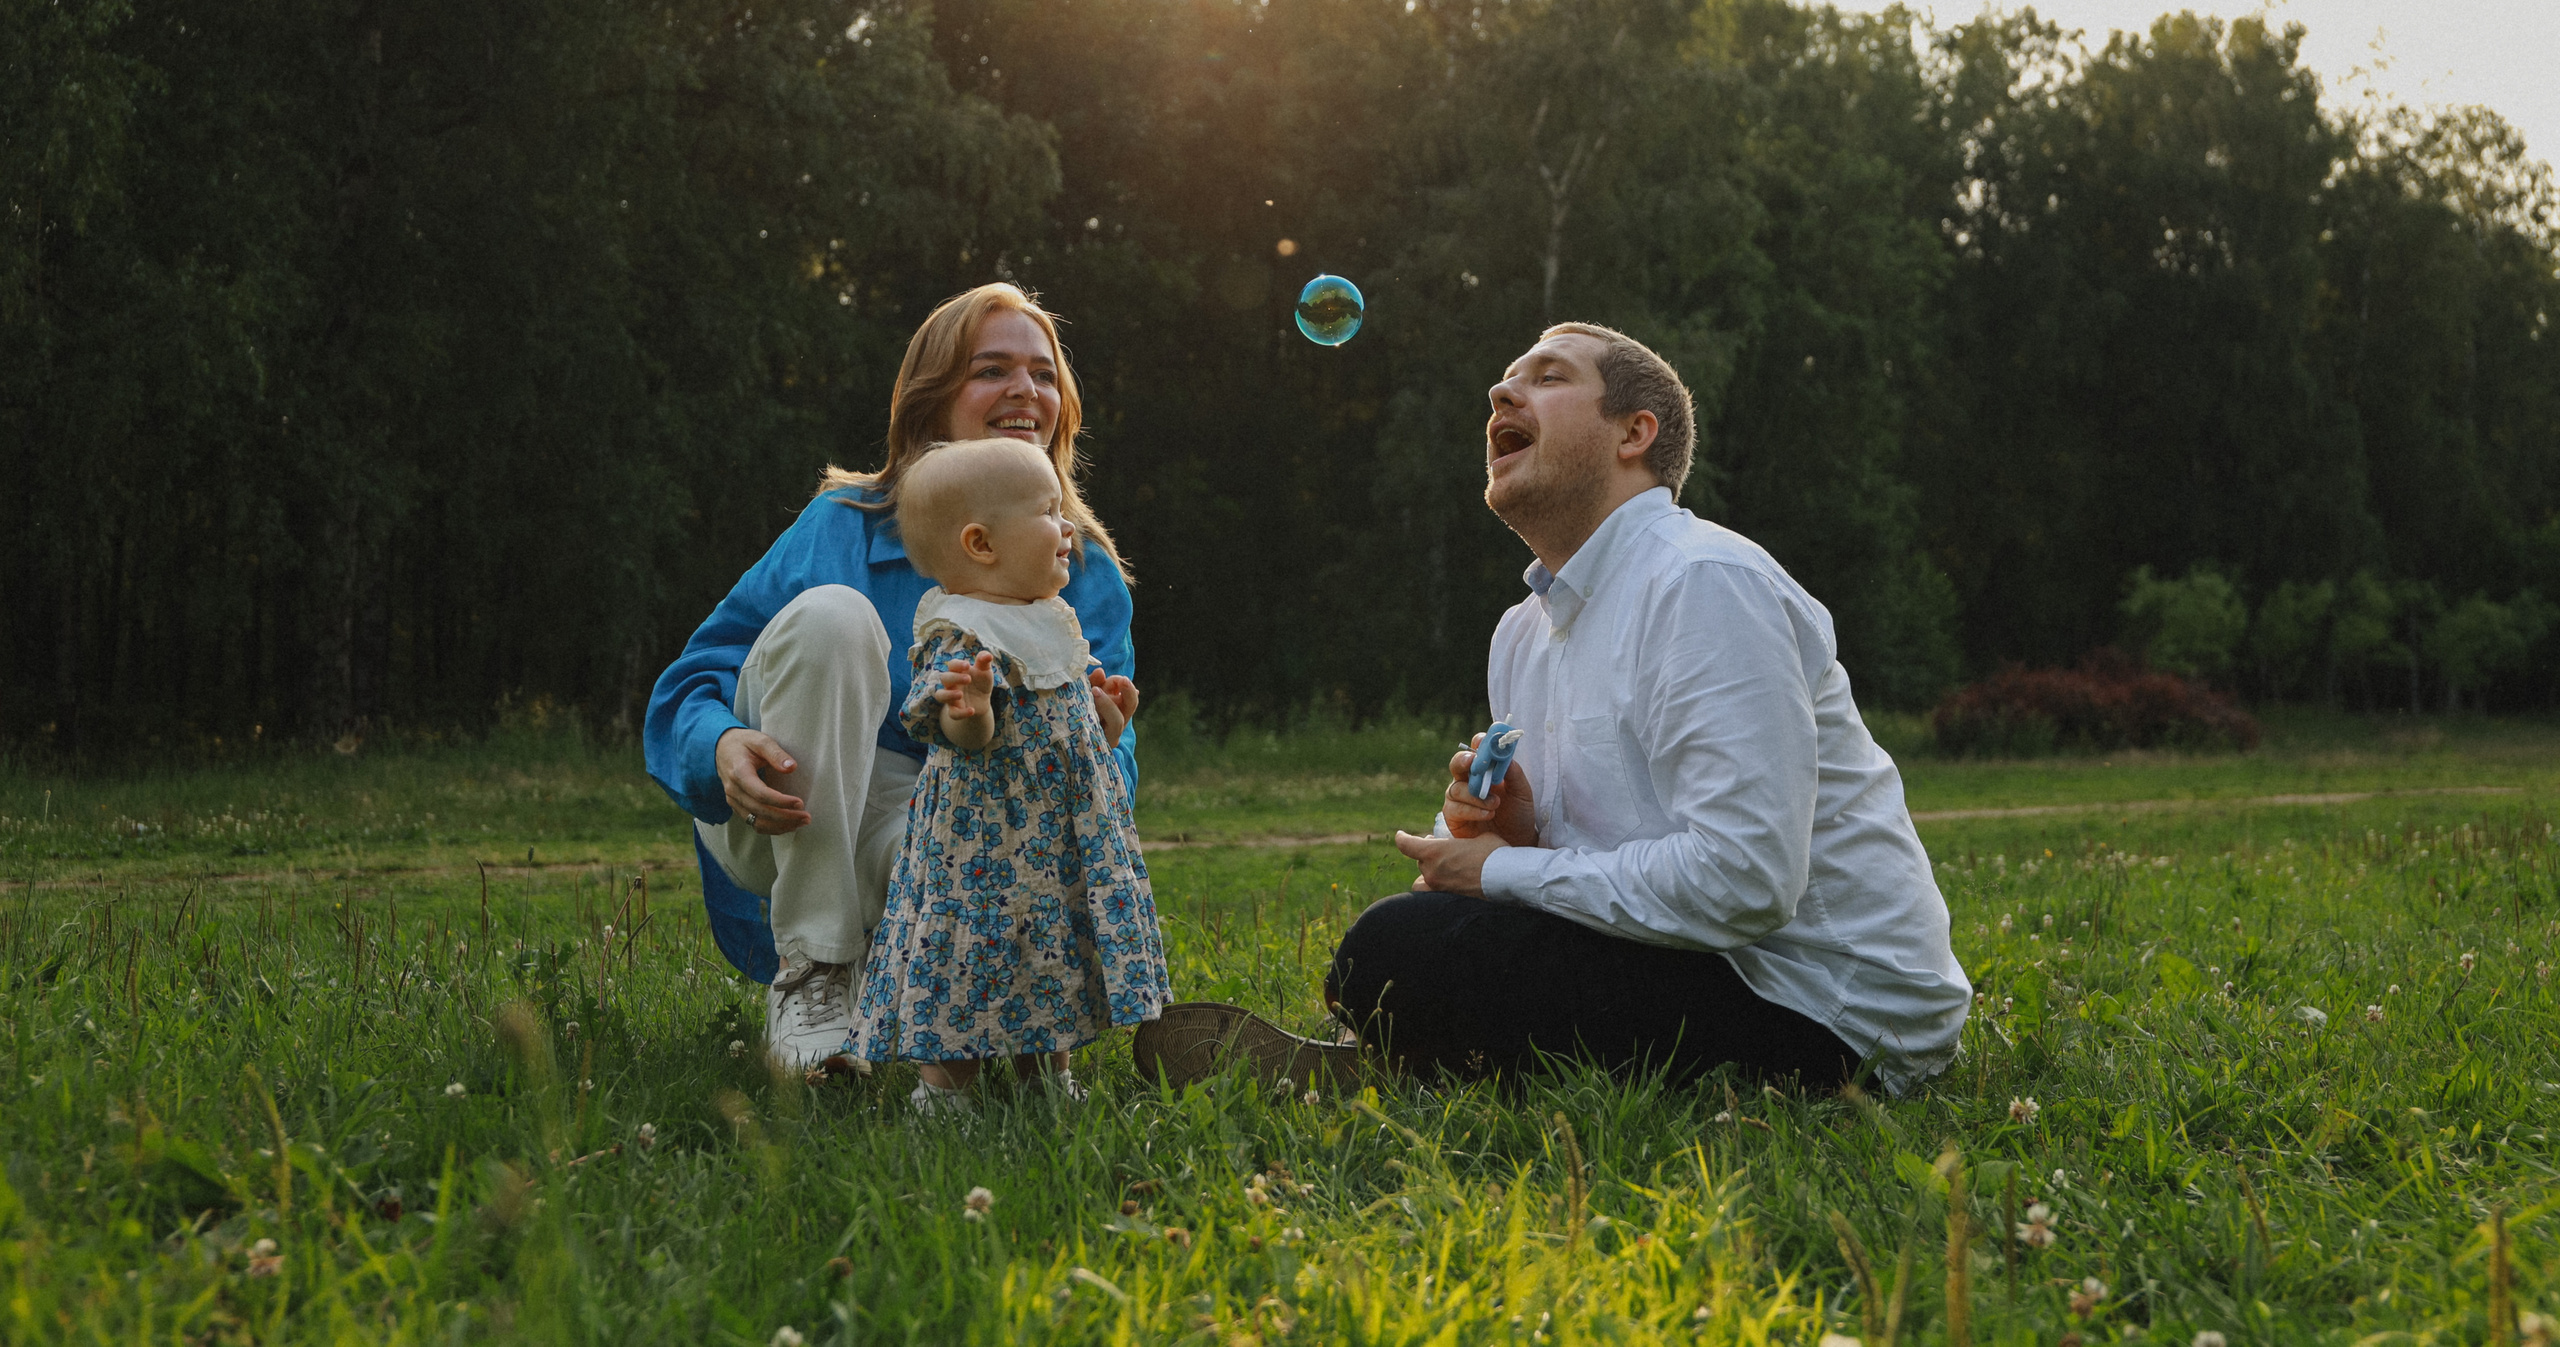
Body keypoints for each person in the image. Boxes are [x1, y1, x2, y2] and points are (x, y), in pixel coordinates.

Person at [1138, 322, 1969, 1096]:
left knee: (1394, 950)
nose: (1502, 396)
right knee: (1409, 943)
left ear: (1633, 433)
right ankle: (1420, 1053)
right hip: (1705, 961)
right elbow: (1615, 868)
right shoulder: (1522, 630)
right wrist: (1512, 836)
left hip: (1830, 1010)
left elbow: (1745, 879)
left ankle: (1414, 1059)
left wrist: (1502, 871)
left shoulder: (1703, 582)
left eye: (1546, 377)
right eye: (1503, 384)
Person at [642, 285, 1140, 1070]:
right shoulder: (843, 523)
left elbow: (1112, 768)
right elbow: (692, 680)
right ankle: (815, 968)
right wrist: (721, 744)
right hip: (783, 798)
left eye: (1044, 375)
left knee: (979, 833)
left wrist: (1093, 741)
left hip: (944, 822)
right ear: (932, 401)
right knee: (835, 616)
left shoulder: (1078, 569)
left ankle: (927, 1005)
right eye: (993, 369)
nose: (1025, 390)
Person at [847, 437, 1167, 1110]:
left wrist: (1105, 722)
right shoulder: (962, 634)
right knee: (969, 956)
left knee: (1047, 952)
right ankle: (944, 1091)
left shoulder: (1048, 618)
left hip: (1050, 847)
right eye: (1049, 512)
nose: (1069, 526)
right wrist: (970, 712)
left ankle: (1045, 1072)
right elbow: (961, 734)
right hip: (982, 856)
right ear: (982, 543)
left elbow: (1068, 726)